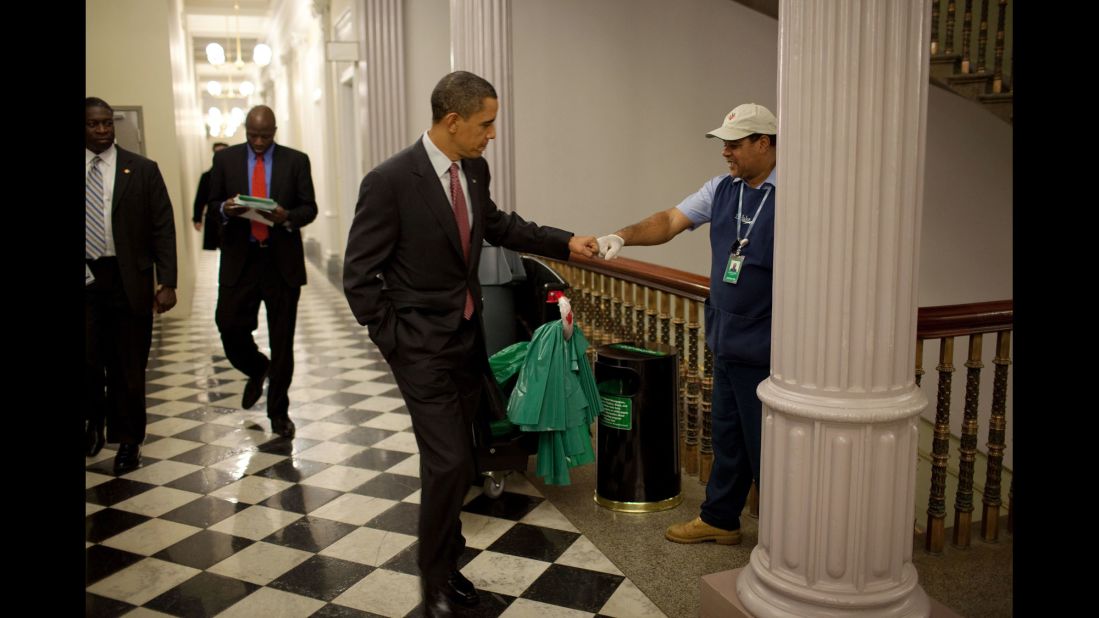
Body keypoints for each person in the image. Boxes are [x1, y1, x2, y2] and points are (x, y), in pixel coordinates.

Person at [343, 70, 599, 616]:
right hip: (421, 349)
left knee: (459, 459)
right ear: (453, 121)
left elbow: (499, 226)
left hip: (465, 340)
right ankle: (432, 580)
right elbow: (359, 276)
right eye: (486, 123)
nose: (492, 134)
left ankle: (448, 558)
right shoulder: (389, 181)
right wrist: (396, 342)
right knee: (449, 463)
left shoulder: (473, 170)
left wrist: (565, 242)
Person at [597, 103, 777, 546]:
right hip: (727, 337)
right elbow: (670, 220)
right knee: (728, 435)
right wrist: (621, 236)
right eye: (724, 145)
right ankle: (720, 518)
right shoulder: (721, 189)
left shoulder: (797, 194)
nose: (726, 153)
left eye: (735, 144)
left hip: (771, 345)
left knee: (769, 449)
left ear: (765, 143)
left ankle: (788, 545)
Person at [208, 105, 318, 438]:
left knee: (282, 342)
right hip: (240, 260)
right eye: (253, 135)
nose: (258, 141)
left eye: (265, 135)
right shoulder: (225, 160)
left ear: (274, 131)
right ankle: (257, 367)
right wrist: (226, 209)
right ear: (245, 129)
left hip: (280, 262)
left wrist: (285, 216)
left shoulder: (295, 160)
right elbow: (211, 204)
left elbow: (309, 208)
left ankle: (278, 413)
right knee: (228, 325)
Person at [85, 97, 178, 473]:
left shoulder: (141, 170)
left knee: (128, 366)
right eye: (94, 124)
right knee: (89, 360)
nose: (103, 130)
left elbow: (163, 228)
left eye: (108, 123)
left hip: (128, 281)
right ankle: (94, 419)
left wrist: (167, 281)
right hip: (86, 280)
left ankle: (128, 441)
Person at [193, 141, 229, 250]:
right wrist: (197, 218)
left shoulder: (236, 175)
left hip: (233, 218)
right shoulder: (207, 177)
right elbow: (200, 198)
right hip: (213, 217)